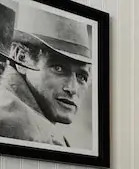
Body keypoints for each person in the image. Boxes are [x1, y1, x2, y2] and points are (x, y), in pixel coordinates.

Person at [0, 4, 92, 146]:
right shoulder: (41, 138)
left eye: (81, 77)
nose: (72, 89)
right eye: (58, 68)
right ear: (21, 57)